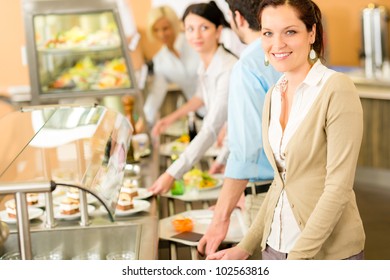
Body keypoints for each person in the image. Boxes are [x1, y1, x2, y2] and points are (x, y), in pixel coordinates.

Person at [207, 0, 365, 260]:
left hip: (327, 254)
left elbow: (338, 188)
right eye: (268, 33)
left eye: (290, 32)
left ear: (311, 33)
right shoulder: (274, 95)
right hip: (275, 246)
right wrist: (245, 247)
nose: (277, 44)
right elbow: (281, 183)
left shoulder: (337, 89)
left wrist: (297, 258)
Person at [198, 0, 281, 258]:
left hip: (268, 195)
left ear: (238, 18)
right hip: (293, 188)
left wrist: (220, 218)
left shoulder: (246, 67)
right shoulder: (285, 54)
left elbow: (246, 152)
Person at [149, 1, 238, 195]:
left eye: (204, 28)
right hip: (230, 149)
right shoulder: (205, 64)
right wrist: (222, 160)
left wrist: (172, 173)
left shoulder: (228, 68)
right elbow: (202, 98)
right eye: (190, 29)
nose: (196, 35)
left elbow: (211, 128)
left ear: (218, 31)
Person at [143, 5, 200, 127]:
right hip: (199, 113)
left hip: (224, 104)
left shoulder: (194, 41)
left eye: (165, 28)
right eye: (156, 30)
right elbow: (156, 94)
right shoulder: (160, 60)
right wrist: (144, 120)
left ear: (174, 25)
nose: (161, 34)